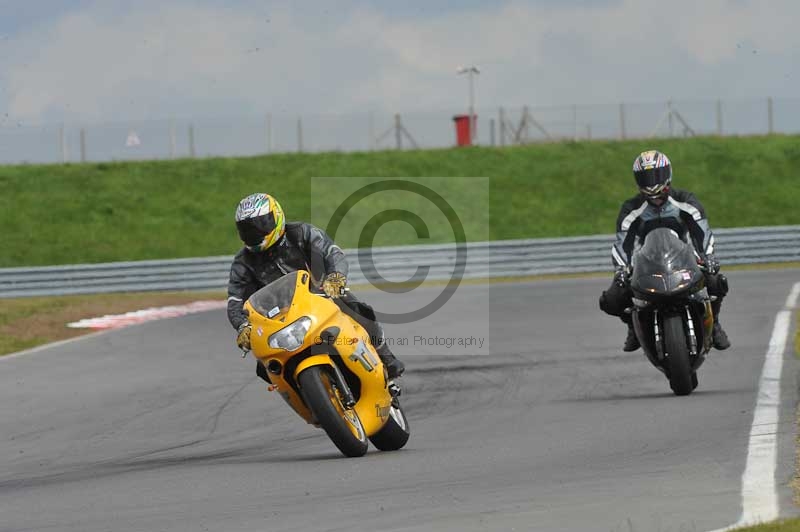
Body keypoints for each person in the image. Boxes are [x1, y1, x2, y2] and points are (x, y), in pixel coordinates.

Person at [226, 193, 405, 381]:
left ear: (276, 216)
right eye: (247, 229)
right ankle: (306, 401)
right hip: (278, 318)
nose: (254, 234)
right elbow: (235, 300)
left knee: (358, 309)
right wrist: (242, 326)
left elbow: (332, 252)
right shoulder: (242, 262)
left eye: (260, 224)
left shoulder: (300, 233)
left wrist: (335, 277)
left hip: (321, 295)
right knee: (265, 368)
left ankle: (385, 356)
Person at [599, 150, 731, 352]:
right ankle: (633, 326)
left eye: (656, 175)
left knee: (716, 281)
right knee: (611, 299)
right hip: (647, 261)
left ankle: (714, 325)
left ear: (668, 174)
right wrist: (621, 269)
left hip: (684, 258)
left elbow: (701, 232)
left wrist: (709, 256)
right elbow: (622, 242)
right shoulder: (631, 208)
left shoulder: (685, 200)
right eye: (646, 177)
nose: (652, 182)